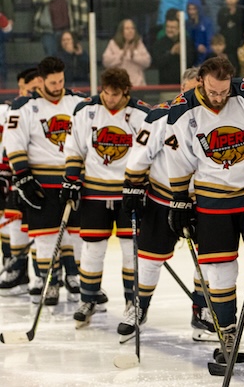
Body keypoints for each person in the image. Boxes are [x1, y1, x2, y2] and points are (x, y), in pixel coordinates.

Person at [163, 57, 244, 382]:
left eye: (224, 90)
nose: (219, 98)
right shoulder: (181, 109)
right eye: (213, 92)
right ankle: (227, 333)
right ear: (201, 80)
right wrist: (178, 199)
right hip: (212, 199)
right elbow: (179, 159)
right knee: (218, 272)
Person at [61, 67, 150, 327]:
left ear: (126, 92)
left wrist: (142, 184)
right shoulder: (85, 110)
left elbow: (150, 154)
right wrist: (71, 178)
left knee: (130, 251)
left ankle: (132, 301)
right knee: (92, 249)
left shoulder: (143, 114)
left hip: (128, 194)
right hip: (94, 193)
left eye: (115, 95)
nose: (108, 99)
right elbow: (74, 147)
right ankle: (88, 299)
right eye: (105, 93)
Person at [118, 67, 200, 342]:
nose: (192, 96)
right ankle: (138, 307)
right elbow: (140, 155)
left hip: (202, 201)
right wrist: (132, 185)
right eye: (188, 90)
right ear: (181, 88)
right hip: (162, 199)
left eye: (197, 90)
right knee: (149, 259)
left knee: (211, 263)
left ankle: (203, 313)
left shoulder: (215, 115)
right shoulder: (160, 116)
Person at [4, 57, 88, 306]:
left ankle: (75, 278)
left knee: (77, 235)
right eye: (52, 82)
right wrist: (23, 177)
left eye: (61, 80)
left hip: (72, 180)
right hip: (41, 182)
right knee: (45, 236)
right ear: (41, 80)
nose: (57, 85)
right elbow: (13, 144)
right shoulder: (23, 107)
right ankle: (50, 281)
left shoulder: (78, 103)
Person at [0, 68, 43, 296]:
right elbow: (9, 147)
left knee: (41, 231)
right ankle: (18, 270)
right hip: (16, 177)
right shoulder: (12, 111)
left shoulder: (47, 110)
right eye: (27, 89)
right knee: (14, 226)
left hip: (44, 179)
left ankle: (44, 276)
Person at [102, 18, 152, 87]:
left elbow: (147, 61)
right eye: (127, 28)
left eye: (132, 28)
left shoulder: (139, 43)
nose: (130, 31)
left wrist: (133, 56)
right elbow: (106, 62)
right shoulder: (113, 43)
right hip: (118, 86)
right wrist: (121, 55)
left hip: (137, 85)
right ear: (121, 31)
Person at [152, 8, 196, 86]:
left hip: (185, 86)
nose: (169, 30)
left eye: (173, 27)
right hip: (166, 87)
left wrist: (182, 53)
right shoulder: (160, 43)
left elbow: (191, 61)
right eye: (168, 27)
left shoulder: (187, 42)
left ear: (179, 29)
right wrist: (171, 53)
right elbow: (158, 62)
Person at [217, 0, 244, 72]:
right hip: (227, 47)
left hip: (240, 45)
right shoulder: (221, 12)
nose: (231, 0)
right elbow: (221, 25)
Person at [186, 0, 215, 65]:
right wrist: (196, 46)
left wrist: (206, 53)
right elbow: (189, 41)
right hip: (192, 59)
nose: (191, 12)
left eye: (194, 9)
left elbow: (210, 41)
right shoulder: (187, 24)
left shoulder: (207, 22)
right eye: (189, 9)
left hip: (206, 58)